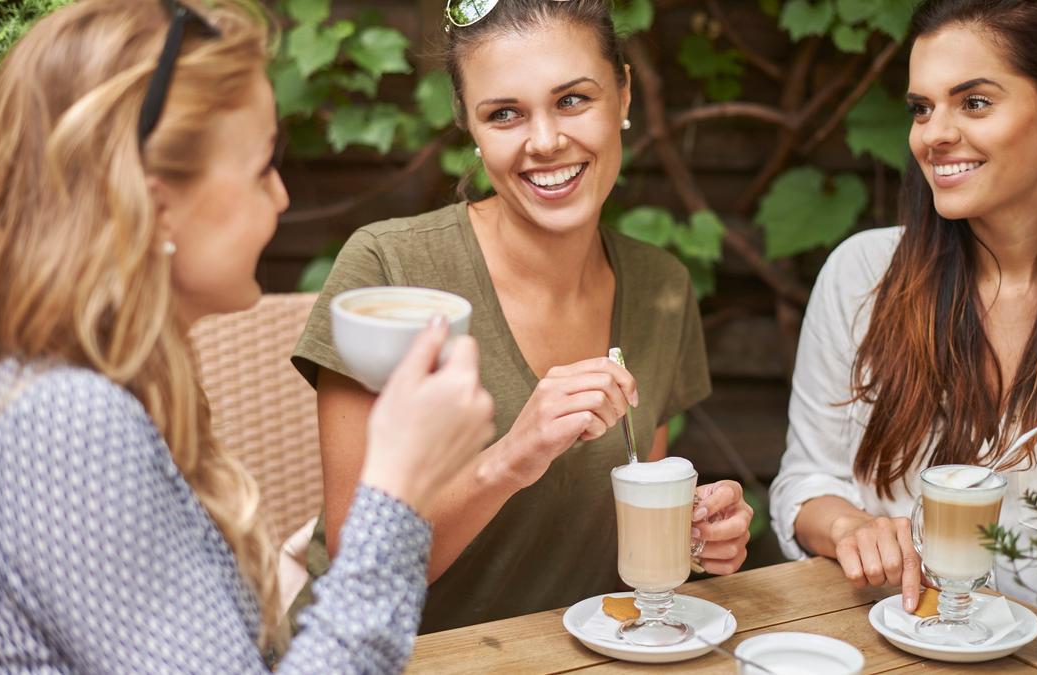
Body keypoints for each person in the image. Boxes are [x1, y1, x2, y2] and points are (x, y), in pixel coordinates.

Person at [0, 0, 493, 672]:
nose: (281, 197)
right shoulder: (64, 421)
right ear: (154, 205)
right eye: (260, 167)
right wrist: (397, 488)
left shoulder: (96, 385)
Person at [290, 0, 754, 634]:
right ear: (470, 127)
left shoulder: (660, 287)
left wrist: (694, 534)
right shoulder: (389, 268)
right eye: (504, 114)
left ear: (622, 95)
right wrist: (513, 456)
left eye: (572, 101)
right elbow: (357, 568)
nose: (544, 142)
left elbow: (620, 544)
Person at [770, 0, 1037, 614]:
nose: (934, 134)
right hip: (888, 642)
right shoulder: (862, 275)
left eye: (975, 102)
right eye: (921, 108)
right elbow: (806, 484)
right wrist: (850, 528)